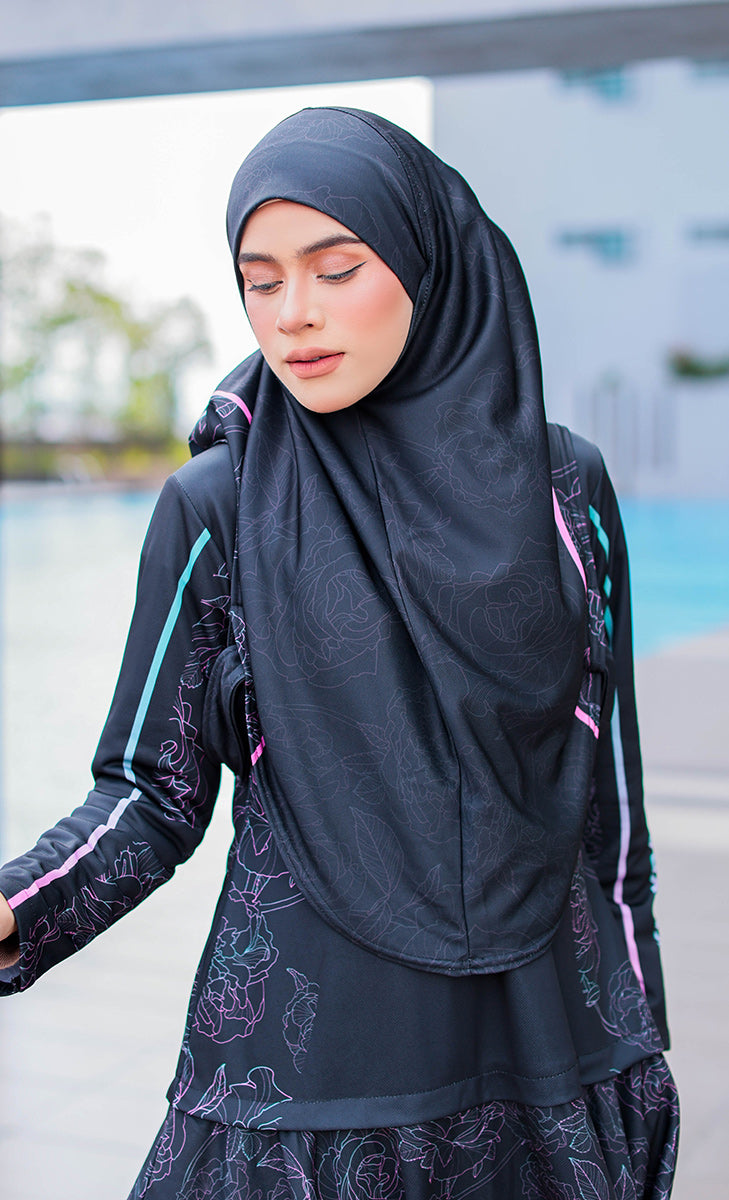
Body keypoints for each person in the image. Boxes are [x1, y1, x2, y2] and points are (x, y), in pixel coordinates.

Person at [0, 107, 678, 1199]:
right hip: (306, 1088)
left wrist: (639, 1042)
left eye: (337, 268)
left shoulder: (562, 493)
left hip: (552, 1075)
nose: (294, 315)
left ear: (424, 262)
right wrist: (18, 908)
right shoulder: (218, 507)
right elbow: (149, 794)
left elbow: (611, 815)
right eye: (260, 281)